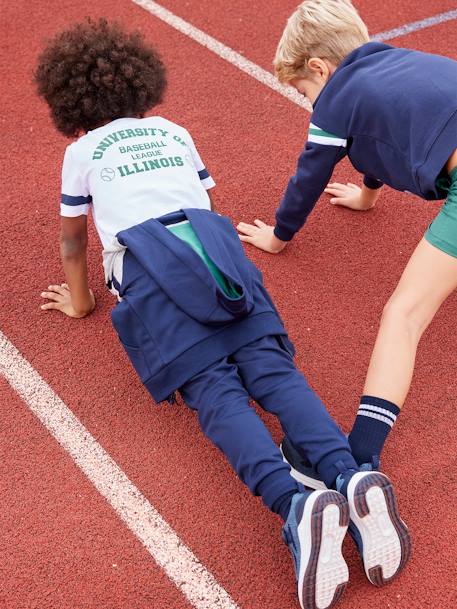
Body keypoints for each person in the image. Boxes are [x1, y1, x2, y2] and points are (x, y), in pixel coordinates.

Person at [35, 19, 410, 609]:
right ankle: (349, 473)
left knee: (216, 393)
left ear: (69, 103)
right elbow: (207, 201)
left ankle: (297, 505)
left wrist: (82, 300)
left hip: (151, 269)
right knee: (274, 372)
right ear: (140, 85)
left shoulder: (81, 152)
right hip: (218, 254)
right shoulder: (173, 130)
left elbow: (73, 240)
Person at [237, 0, 457, 480]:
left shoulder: (335, 99)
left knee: (403, 315)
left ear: (320, 68)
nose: (310, 102)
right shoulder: (401, 60)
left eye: (304, 89)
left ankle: (359, 457)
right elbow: (380, 137)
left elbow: (310, 174)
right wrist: (367, 194)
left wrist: (279, 234)